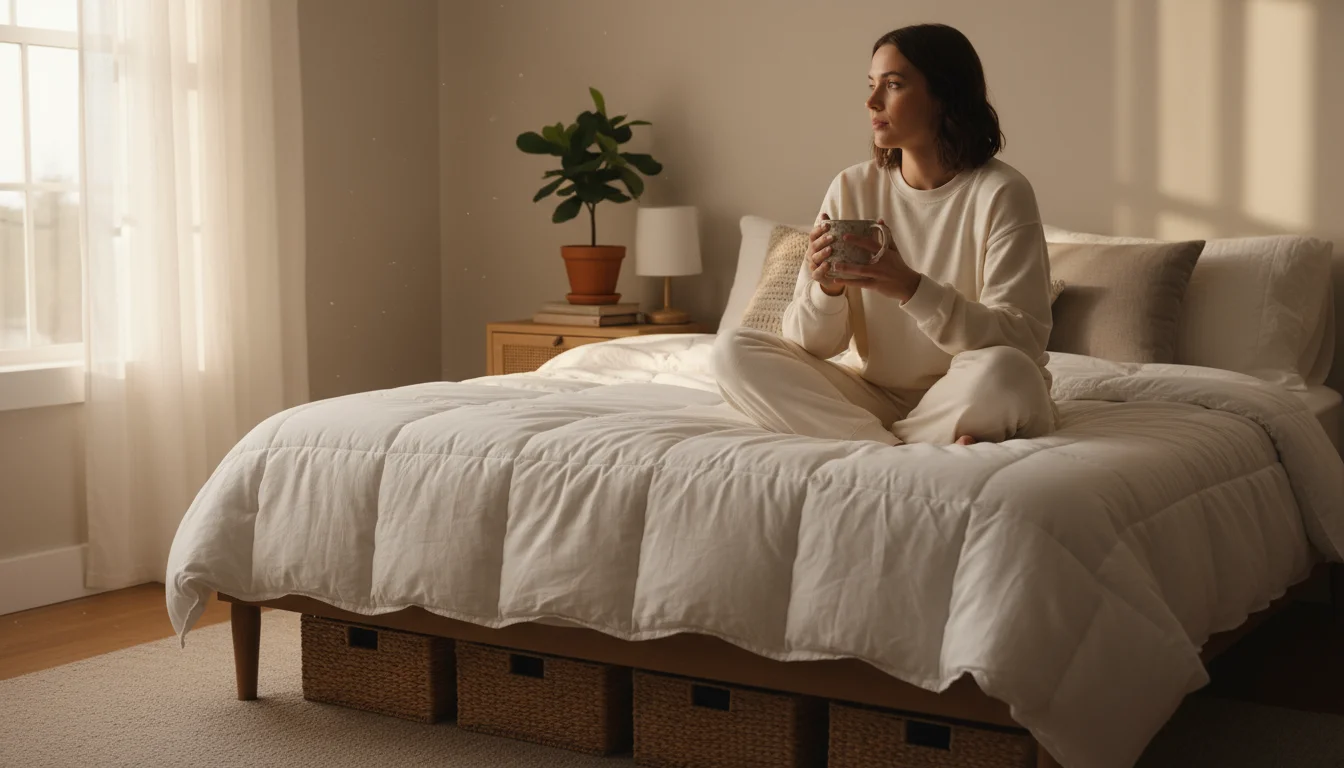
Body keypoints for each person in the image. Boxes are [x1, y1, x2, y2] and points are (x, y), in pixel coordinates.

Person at [714, 23, 1057, 447]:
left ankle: (885, 438)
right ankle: (900, 445)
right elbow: (810, 346)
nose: (871, 101)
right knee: (733, 351)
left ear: (944, 96)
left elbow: (1020, 338)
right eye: (872, 84)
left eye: (893, 85)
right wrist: (828, 290)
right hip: (872, 396)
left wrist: (910, 287)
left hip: (965, 388)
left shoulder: (1002, 193)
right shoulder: (851, 188)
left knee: (1010, 372)